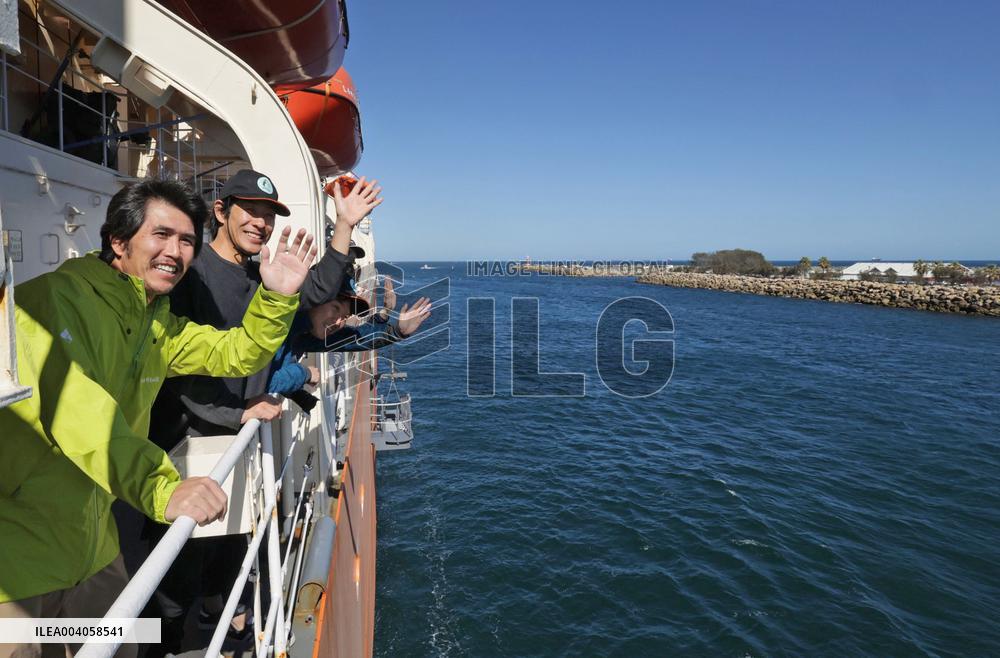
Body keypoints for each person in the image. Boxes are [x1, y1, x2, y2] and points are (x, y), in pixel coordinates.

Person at [0, 178, 316, 658]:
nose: (176, 251)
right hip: (17, 560)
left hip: (92, 542)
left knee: (121, 647)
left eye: (187, 240)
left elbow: (236, 353)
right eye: (161, 235)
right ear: (118, 240)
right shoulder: (51, 303)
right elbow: (79, 415)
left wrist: (277, 297)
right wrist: (164, 487)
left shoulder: (153, 322)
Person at [143, 169, 381, 653]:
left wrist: (344, 227)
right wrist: (241, 412)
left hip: (233, 442)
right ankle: (160, 645)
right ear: (220, 211)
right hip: (180, 446)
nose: (261, 221)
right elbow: (177, 371)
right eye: (251, 209)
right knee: (171, 577)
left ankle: (218, 615)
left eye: (269, 214)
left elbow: (313, 294)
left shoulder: (257, 273)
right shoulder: (193, 276)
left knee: (229, 544)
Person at [266, 287, 432, 410]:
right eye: (336, 308)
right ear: (315, 299)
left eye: (345, 316)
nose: (338, 321)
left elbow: (354, 338)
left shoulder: (306, 332)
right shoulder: (281, 324)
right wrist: (305, 373)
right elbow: (261, 381)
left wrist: (396, 331)